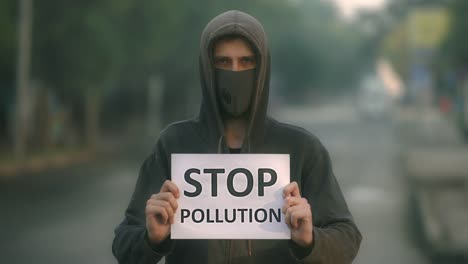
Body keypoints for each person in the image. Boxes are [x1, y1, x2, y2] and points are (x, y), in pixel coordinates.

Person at [112, 10, 362, 264]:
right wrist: (152, 238)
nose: (235, 71)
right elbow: (124, 244)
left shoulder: (301, 148)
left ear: (262, 67)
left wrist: (310, 241)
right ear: (207, 68)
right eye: (223, 62)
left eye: (246, 61)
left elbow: (347, 238)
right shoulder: (174, 143)